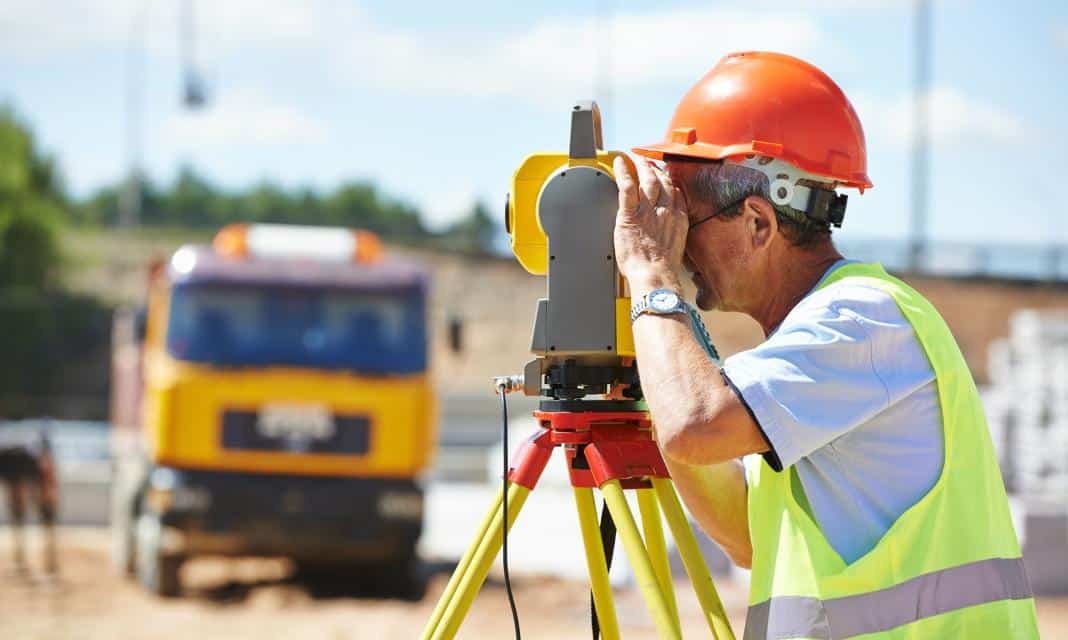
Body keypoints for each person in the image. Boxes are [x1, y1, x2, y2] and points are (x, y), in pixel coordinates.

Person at [613, 51, 1038, 639]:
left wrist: (651, 277)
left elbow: (696, 423)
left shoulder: (862, 320)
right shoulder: (798, 361)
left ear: (759, 224)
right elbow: (745, 536)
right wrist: (657, 374)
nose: (677, 244)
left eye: (689, 222)